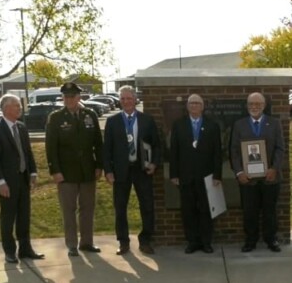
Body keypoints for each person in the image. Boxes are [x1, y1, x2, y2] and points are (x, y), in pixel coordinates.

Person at [45, 82, 103, 258]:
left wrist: (99, 165)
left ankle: (87, 242)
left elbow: (98, 143)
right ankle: (71, 244)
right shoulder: (55, 117)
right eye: (66, 97)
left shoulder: (89, 115)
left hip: (87, 170)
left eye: (72, 96)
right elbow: (51, 147)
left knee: (87, 208)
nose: (69, 100)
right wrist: (55, 170)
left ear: (79, 98)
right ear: (62, 98)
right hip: (66, 172)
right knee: (68, 210)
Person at [103, 85, 161, 255]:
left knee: (147, 206)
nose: (126, 101)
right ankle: (123, 242)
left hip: (142, 169)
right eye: (123, 99)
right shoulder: (112, 122)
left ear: (135, 100)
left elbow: (156, 145)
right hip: (120, 171)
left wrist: (154, 164)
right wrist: (108, 171)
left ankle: (145, 240)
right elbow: (106, 149)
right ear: (120, 101)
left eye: (129, 98)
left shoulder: (147, 120)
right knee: (120, 207)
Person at [0, 93, 44, 264]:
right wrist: (1, 182)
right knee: (8, 217)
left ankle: (25, 249)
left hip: (23, 179)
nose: (20, 108)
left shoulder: (21, 127)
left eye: (19, 105)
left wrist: (32, 173)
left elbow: (27, 152)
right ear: (5, 109)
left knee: (24, 216)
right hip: (7, 182)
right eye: (16, 106)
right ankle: (9, 251)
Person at [231, 92, 285, 252]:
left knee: (270, 210)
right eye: (251, 104)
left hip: (270, 177)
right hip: (248, 178)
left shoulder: (274, 123)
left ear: (264, 105)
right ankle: (250, 240)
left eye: (258, 104)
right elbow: (233, 151)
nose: (254, 107)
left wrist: (274, 168)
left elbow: (280, 148)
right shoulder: (239, 125)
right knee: (249, 211)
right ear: (247, 106)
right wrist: (239, 172)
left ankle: (271, 239)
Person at [169, 93, 222, 254]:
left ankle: (206, 242)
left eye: (197, 103)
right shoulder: (179, 125)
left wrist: (217, 175)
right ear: (187, 106)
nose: (194, 106)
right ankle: (192, 241)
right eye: (191, 103)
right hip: (185, 176)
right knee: (188, 210)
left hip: (207, 176)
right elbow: (174, 152)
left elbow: (217, 153)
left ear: (203, 106)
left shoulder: (212, 125)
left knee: (206, 210)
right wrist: (174, 174)